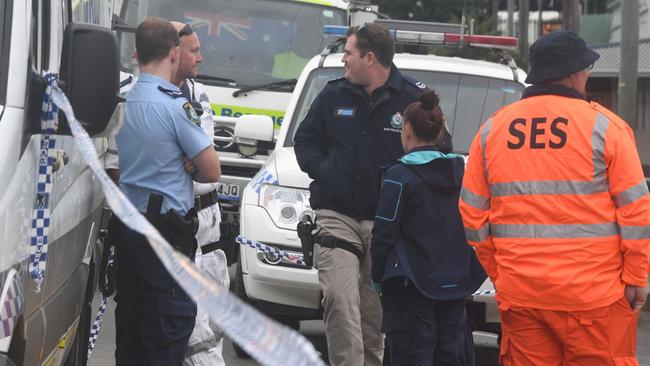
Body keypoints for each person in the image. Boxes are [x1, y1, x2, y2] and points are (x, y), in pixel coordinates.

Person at [459, 30, 650, 366]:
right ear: (574, 74)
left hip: (522, 293)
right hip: (593, 297)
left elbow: (472, 214)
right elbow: (635, 211)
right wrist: (636, 277)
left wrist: (501, 271)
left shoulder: (492, 130)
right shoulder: (606, 128)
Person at [294, 23, 450, 366]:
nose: (343, 60)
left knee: (372, 314)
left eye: (348, 53)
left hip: (389, 224)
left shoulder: (412, 97)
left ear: (370, 57)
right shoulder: (333, 95)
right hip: (337, 215)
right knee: (338, 298)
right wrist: (326, 171)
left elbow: (439, 151)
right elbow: (305, 141)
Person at [113, 17, 220, 365]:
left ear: (136, 53)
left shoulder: (123, 100)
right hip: (166, 234)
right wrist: (186, 160)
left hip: (129, 228)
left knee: (131, 329)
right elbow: (212, 170)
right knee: (167, 332)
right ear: (174, 53)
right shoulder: (177, 106)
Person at [371, 91, 486, 366]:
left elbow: (384, 234)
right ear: (438, 134)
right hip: (456, 285)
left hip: (411, 286)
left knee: (413, 355)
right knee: (450, 355)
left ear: (407, 131)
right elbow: (479, 225)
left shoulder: (399, 176)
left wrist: (377, 278)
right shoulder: (464, 174)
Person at [168, 21, 230, 366]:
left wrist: (189, 156)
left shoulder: (197, 94)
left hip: (209, 226)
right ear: (173, 53)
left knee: (212, 323)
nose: (200, 57)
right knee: (193, 334)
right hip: (179, 222)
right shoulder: (144, 93)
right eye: (194, 50)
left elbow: (202, 154)